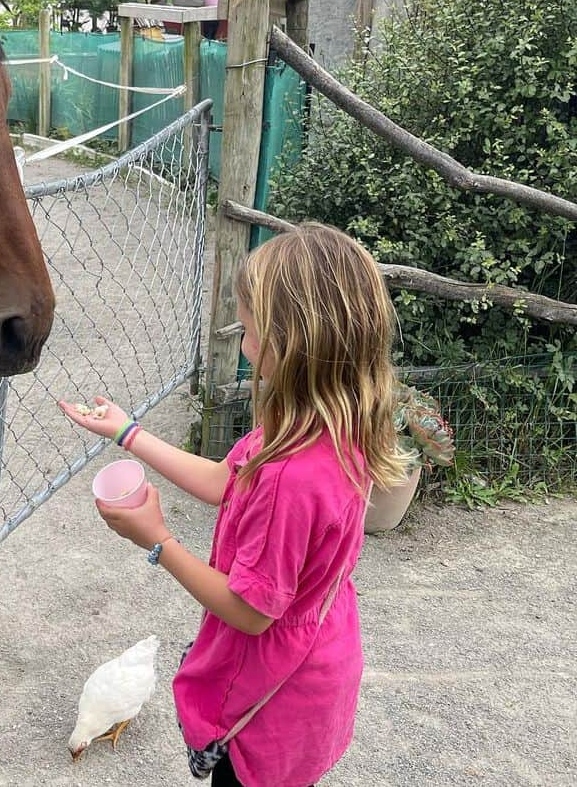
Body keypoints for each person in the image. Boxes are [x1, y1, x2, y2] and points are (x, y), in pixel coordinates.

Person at [59, 224, 410, 786]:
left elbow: (252, 611)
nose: (243, 345)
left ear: (290, 343)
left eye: (248, 331)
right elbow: (226, 480)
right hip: (320, 662)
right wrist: (129, 433)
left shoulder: (291, 476)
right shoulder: (325, 425)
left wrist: (159, 542)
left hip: (270, 700)